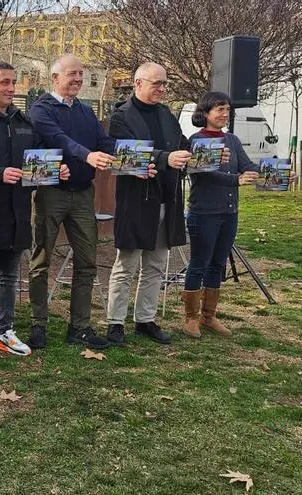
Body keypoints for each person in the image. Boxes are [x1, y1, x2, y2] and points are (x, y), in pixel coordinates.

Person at [0, 61, 69, 369]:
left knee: (9, 276)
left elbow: (35, 160)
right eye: (4, 82)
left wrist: (53, 169)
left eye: (13, 82)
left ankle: (4, 332)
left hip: (17, 211)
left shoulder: (23, 121)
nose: (10, 88)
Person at [27, 54, 117, 351]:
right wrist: (86, 154)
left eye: (82, 74)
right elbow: (59, 139)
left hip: (83, 193)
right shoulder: (41, 108)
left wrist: (130, 157)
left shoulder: (86, 111)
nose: (79, 79)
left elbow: (103, 141)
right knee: (41, 258)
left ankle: (79, 326)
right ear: (55, 77)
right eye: (73, 74)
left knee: (87, 261)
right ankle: (38, 323)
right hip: (51, 192)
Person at [105, 62, 192, 346]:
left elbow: (182, 144)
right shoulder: (121, 116)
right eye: (157, 84)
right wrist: (164, 157)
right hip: (136, 201)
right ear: (138, 83)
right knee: (126, 265)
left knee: (155, 265)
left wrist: (197, 154)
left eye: (164, 83)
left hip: (166, 198)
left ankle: (145, 319)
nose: (162, 89)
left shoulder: (167, 114)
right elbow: (122, 150)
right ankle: (115, 323)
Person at [181, 92, 266, 337]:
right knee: (199, 263)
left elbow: (248, 166)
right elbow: (203, 174)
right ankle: (191, 318)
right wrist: (235, 180)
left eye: (227, 110)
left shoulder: (233, 140)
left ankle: (209, 316)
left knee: (218, 264)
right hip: (204, 212)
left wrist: (277, 174)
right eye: (219, 110)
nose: (224, 114)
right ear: (205, 113)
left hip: (229, 213)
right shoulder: (196, 141)